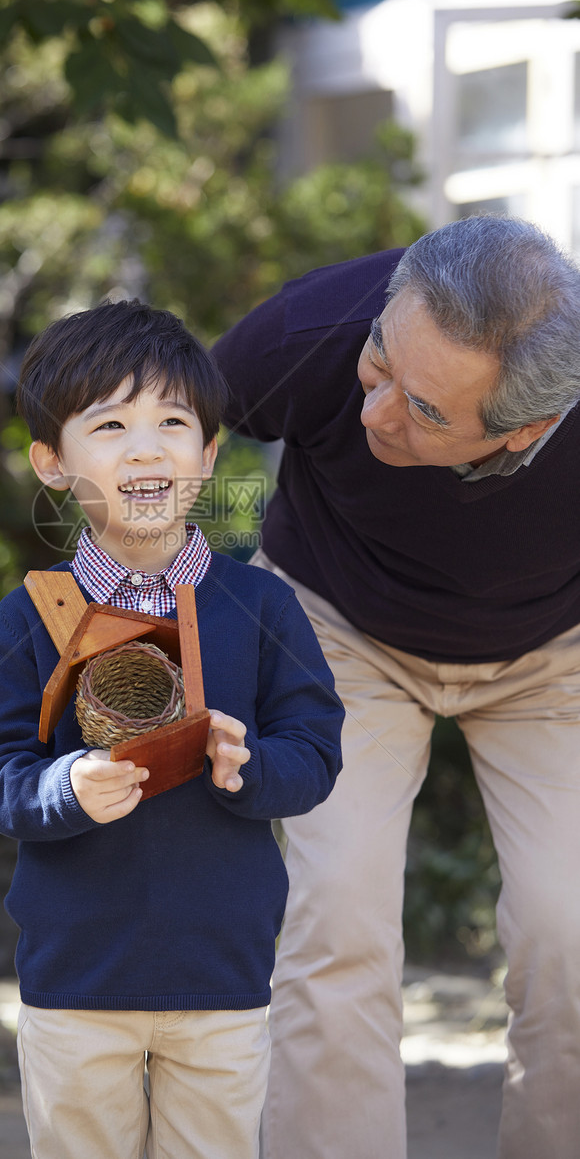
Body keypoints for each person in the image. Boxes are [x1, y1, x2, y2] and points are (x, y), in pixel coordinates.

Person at [213, 213, 580, 1159]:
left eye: (424, 411)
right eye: (382, 366)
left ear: (526, 429)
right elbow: (172, 435)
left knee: (569, 932)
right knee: (333, 916)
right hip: (339, 630)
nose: (377, 412)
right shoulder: (312, 333)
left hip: (552, 655)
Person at [0, 298, 343, 1159]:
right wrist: (68, 787)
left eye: (172, 421)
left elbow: (316, 747)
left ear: (208, 456)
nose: (145, 447)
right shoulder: (32, 615)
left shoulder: (261, 604)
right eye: (108, 425)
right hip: (75, 979)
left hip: (224, 975)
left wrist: (247, 767)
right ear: (53, 463)